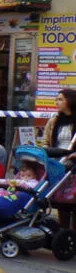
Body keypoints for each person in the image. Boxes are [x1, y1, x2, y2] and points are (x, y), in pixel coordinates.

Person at [44, 89, 76, 226]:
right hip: (58, 164)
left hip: (73, 165)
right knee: (61, 200)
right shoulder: (54, 121)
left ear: (70, 101)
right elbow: (46, 141)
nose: (57, 102)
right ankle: (63, 232)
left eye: (60, 99)